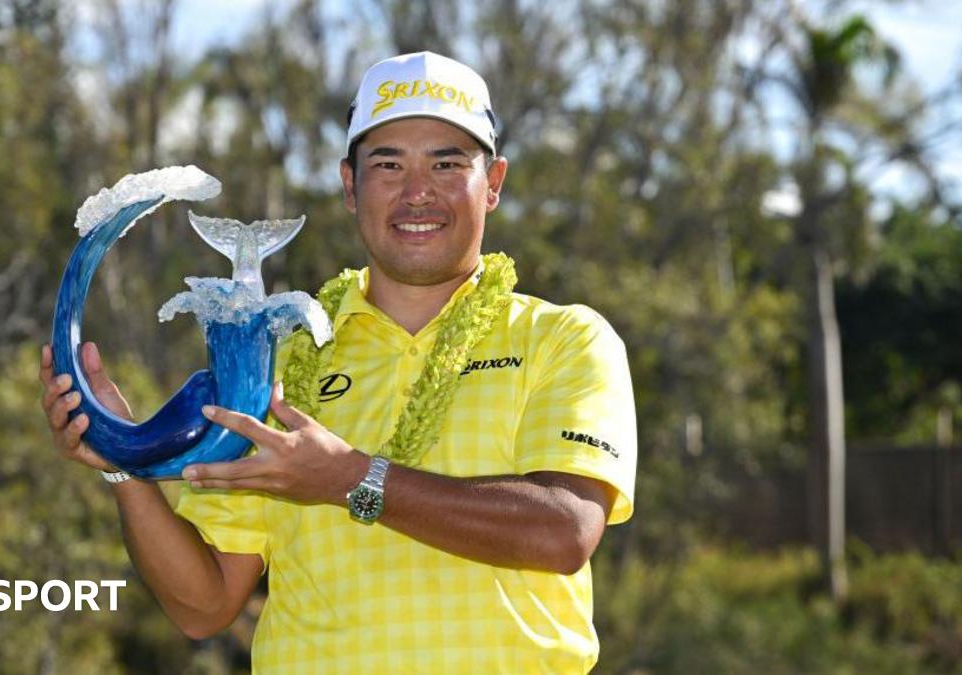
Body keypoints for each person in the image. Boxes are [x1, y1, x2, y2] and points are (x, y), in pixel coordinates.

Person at [39, 51, 636, 673]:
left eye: (447, 162)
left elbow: (562, 532)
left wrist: (351, 478)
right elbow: (205, 603)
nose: (417, 191)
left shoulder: (566, 339)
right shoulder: (280, 355)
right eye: (388, 164)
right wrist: (121, 466)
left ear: (494, 183)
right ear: (350, 186)